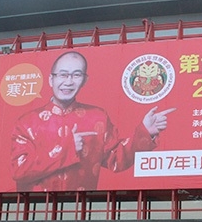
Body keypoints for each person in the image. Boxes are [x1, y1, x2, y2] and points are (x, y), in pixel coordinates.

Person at [10, 50, 176, 191]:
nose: (68, 82)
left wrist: (145, 132)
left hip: (84, 207)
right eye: (63, 75)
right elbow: (19, 171)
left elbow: (116, 160)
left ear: (84, 80)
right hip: (35, 209)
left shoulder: (97, 117)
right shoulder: (27, 122)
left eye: (76, 75)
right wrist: (68, 147)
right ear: (50, 79)